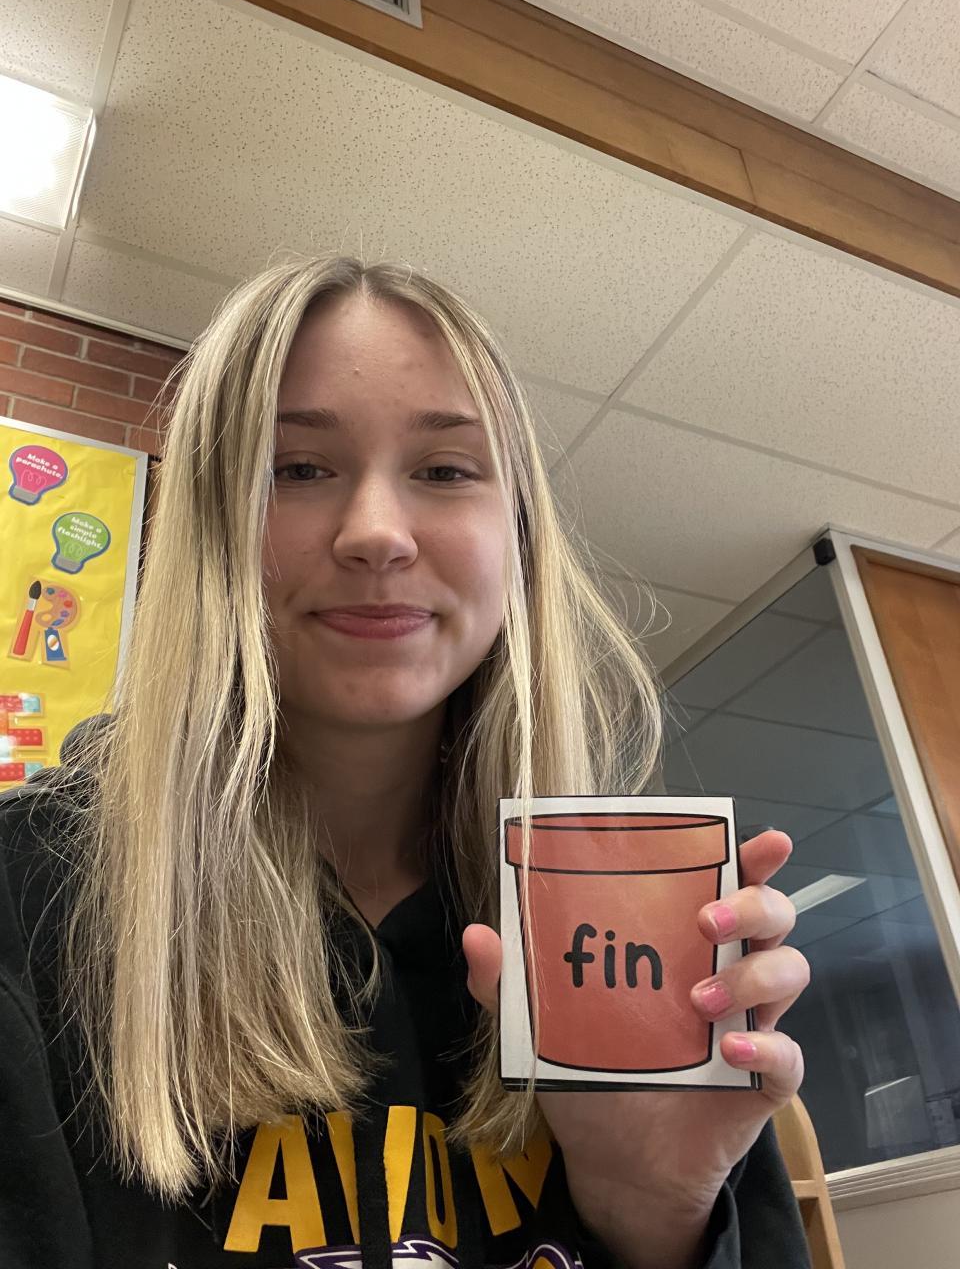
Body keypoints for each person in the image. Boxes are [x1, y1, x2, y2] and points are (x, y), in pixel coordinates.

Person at [0, 256, 811, 1269]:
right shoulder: (25, 895)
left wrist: (653, 1215)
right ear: (209, 524)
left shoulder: (638, 925)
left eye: (445, 470)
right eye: (297, 469)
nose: (377, 534)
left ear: (518, 536)